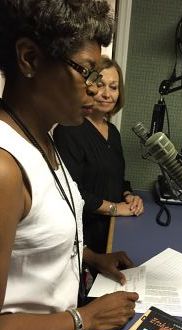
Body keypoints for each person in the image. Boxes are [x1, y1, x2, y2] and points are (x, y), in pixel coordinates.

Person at [0, 1, 139, 330]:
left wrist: (93, 257)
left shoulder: (43, 138)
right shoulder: (4, 168)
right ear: (29, 58)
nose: (95, 89)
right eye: (87, 71)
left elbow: (33, 243)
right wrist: (86, 318)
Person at [53, 55, 144, 254]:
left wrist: (129, 196)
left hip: (112, 229)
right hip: (83, 240)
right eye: (100, 85)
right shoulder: (68, 130)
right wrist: (114, 208)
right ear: (88, 87)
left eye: (113, 87)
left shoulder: (113, 132)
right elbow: (72, 192)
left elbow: (115, 178)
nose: (106, 94)